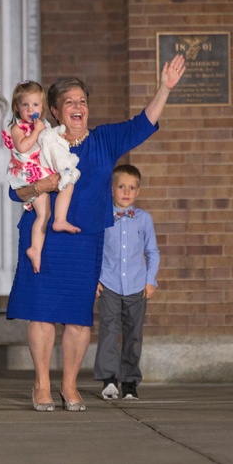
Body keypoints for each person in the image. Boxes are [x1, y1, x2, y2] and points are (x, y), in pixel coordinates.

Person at [6, 54, 186, 412]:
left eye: (83, 101)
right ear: (55, 111)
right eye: (69, 102)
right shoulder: (39, 138)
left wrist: (164, 88)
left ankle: (69, 386)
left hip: (86, 239)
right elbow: (16, 191)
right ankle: (41, 384)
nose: (78, 107)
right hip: (43, 236)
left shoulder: (103, 140)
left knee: (76, 317)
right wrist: (42, 184)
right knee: (40, 313)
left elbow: (143, 122)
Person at [94, 164, 160, 401]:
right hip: (109, 283)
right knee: (109, 332)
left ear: (138, 192)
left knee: (133, 334)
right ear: (112, 189)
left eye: (131, 188)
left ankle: (130, 382)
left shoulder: (144, 219)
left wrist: (150, 280)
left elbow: (152, 252)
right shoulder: (102, 217)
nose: (126, 191)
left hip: (136, 286)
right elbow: (95, 249)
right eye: (121, 186)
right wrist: (95, 279)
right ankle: (109, 380)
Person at [2, 80, 80, 273]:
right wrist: (36, 132)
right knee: (43, 213)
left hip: (44, 166)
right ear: (17, 108)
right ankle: (35, 249)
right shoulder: (17, 127)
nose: (30, 109)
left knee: (68, 183)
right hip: (29, 172)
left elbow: (50, 143)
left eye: (35, 104)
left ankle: (60, 219)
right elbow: (22, 147)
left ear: (42, 107)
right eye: (25, 105)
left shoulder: (44, 124)